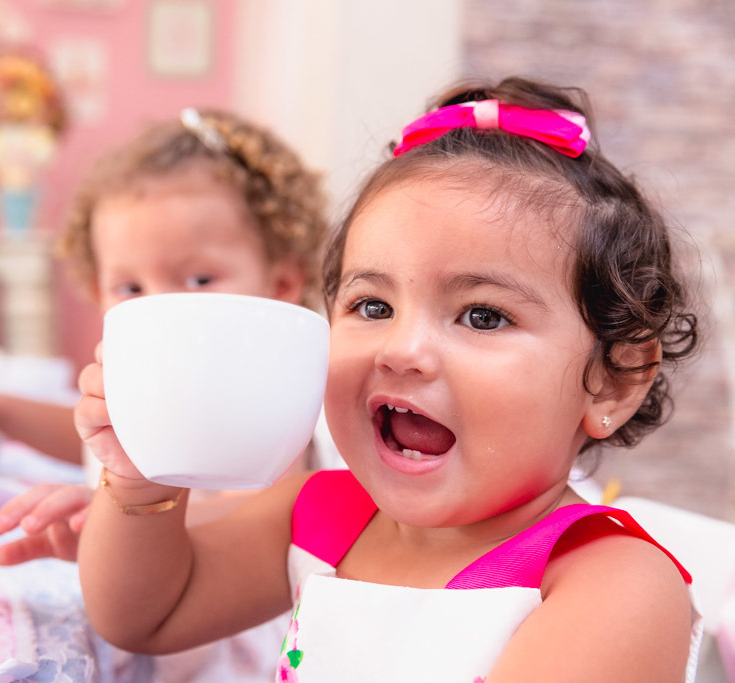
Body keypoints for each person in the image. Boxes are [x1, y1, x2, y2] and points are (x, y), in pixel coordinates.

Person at [75, 76, 705, 682]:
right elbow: (149, 616)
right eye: (372, 306)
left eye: (483, 316)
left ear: (614, 382)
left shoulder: (611, 584)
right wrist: (137, 481)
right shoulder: (320, 515)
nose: (403, 351)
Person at [0, 107, 333, 681]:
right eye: (129, 286)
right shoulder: (145, 378)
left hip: (237, 640)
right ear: (96, 289)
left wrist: (121, 521)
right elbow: (93, 431)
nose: (158, 305)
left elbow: (274, 511)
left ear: (281, 284)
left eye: (198, 279)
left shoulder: (277, 402)